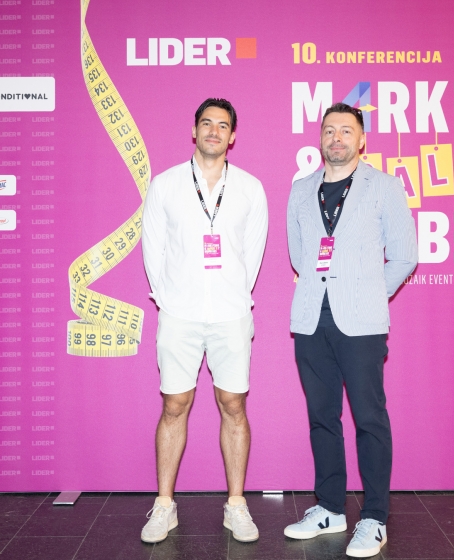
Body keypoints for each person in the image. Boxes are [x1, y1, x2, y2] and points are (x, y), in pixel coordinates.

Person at [284, 103, 417, 557]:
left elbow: (405, 254)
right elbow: (299, 254)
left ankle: (375, 517)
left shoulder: (384, 186)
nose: (336, 138)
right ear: (320, 138)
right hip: (311, 319)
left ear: (361, 140)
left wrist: (368, 292)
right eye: (329, 130)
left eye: (346, 131)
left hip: (361, 322)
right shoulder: (301, 190)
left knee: (369, 418)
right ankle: (329, 508)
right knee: (322, 417)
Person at [141, 98, 268, 544]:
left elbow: (251, 256)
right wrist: (172, 301)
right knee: (174, 406)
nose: (214, 131)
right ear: (194, 130)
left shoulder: (250, 188)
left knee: (233, 405)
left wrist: (230, 296)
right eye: (207, 123)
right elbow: (153, 252)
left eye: (223, 125)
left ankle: (236, 505)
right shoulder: (165, 185)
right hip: (180, 315)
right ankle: (164, 506)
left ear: (232, 136)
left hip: (231, 314)